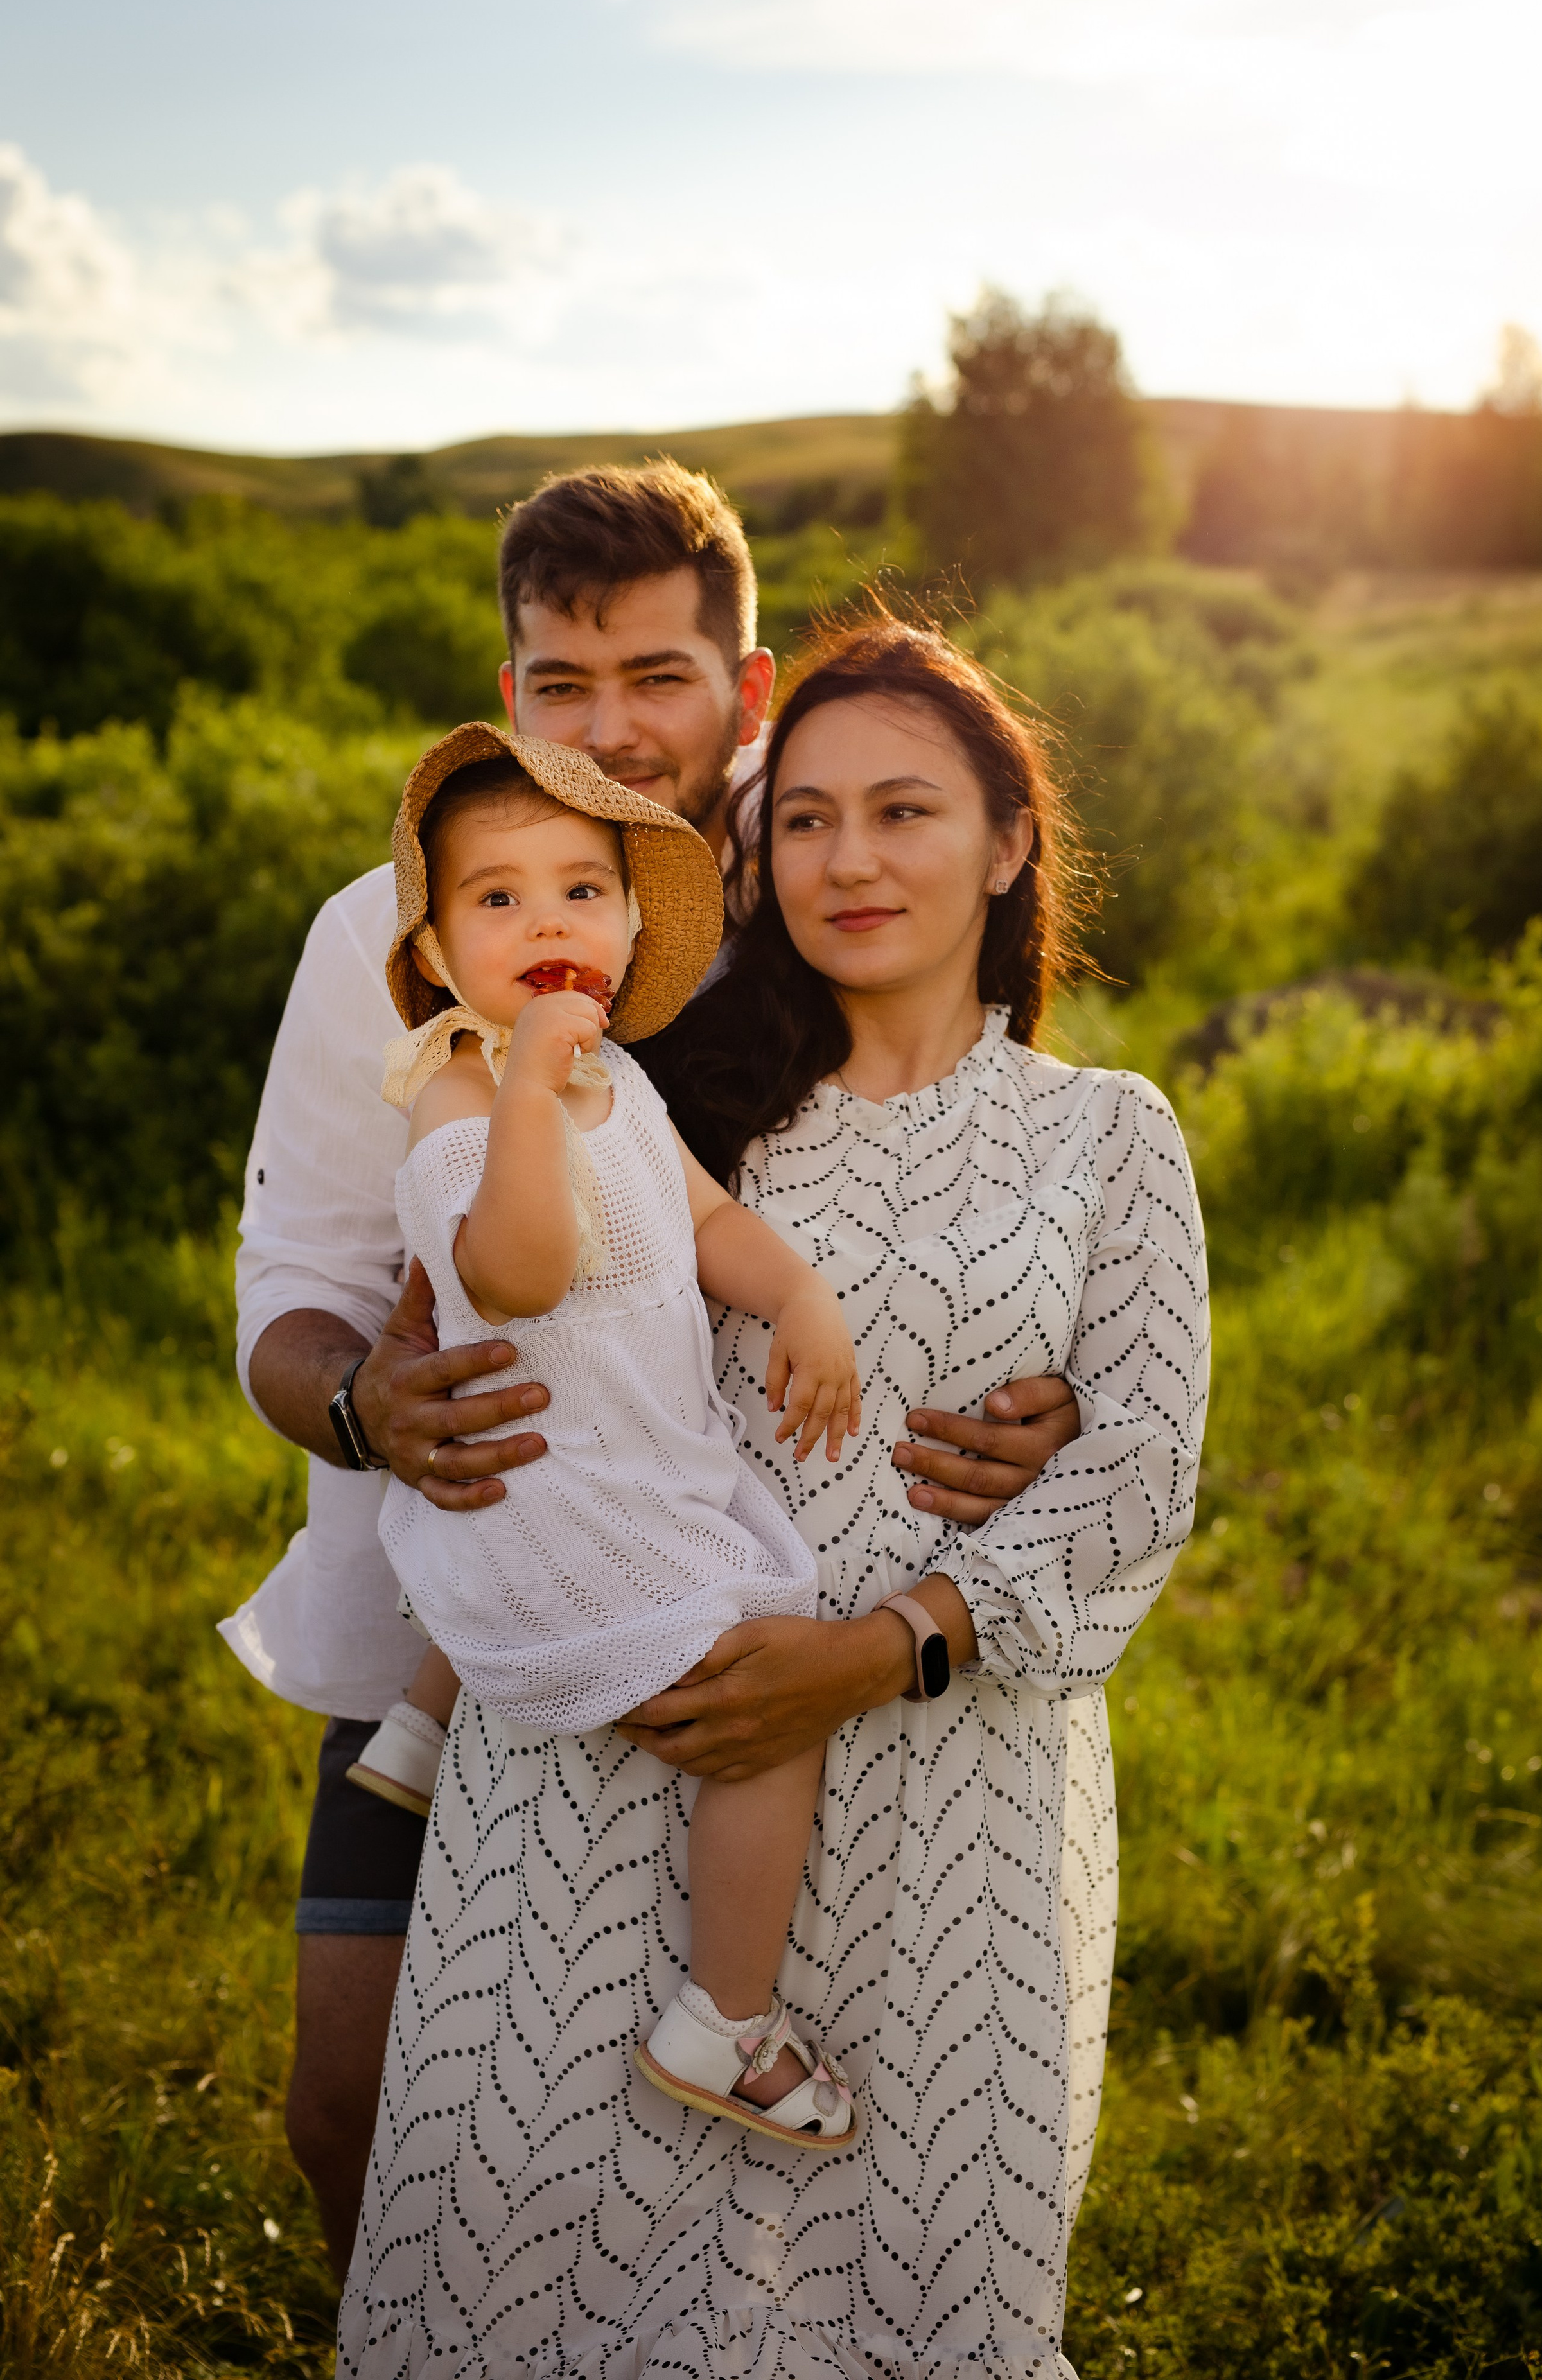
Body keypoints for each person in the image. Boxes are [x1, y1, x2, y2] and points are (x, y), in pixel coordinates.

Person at [227, 460, 1085, 2273]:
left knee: (678, 2185)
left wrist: (1052, 1386)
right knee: (359, 2113)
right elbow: (292, 1288)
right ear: (509, 687)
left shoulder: (827, 887)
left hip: (749, 1598)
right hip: (466, 1580)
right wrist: (366, 1404)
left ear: (746, 688)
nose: (610, 729)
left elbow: (991, 1178)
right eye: (562, 683)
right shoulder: (390, 935)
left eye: (659, 679)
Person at [335, 615, 1211, 2379]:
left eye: (903, 811)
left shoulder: (1108, 1134)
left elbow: (1142, 1468)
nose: (849, 860)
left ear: (1010, 842)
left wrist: (889, 1643)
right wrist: (402, 1395)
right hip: (615, 1766)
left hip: (950, 1806)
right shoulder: (651, 1093)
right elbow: (484, 1325)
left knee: (910, 2296)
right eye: (804, 819)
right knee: (533, 2294)